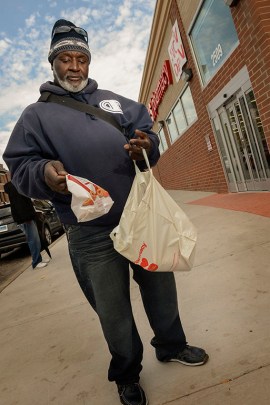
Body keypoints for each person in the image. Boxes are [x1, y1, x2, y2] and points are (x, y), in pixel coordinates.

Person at [3, 19, 209, 405]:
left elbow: (150, 136)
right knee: (113, 310)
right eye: (66, 59)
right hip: (90, 231)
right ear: (53, 63)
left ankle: (171, 344)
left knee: (161, 288)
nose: (75, 66)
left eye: (81, 58)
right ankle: (127, 373)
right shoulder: (36, 116)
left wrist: (147, 145)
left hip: (140, 215)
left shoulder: (116, 102)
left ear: (88, 62)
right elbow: (19, 165)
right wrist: (46, 173)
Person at [4, 181, 49, 269]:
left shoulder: (17, 185)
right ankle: (36, 262)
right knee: (33, 240)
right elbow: (19, 204)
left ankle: (38, 259)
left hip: (27, 217)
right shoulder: (16, 186)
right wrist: (26, 218)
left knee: (35, 239)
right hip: (25, 218)